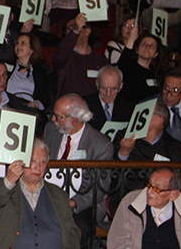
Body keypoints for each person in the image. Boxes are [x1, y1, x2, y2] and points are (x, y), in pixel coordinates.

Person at [0, 139, 81, 249]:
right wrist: (9, 182)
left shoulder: (58, 194)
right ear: (20, 162)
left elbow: (72, 233)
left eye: (43, 162)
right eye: (33, 161)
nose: (38, 168)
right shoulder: (3, 186)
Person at [44, 93, 113, 247]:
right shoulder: (51, 130)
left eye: (57, 116)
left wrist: (73, 203)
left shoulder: (101, 145)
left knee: (76, 228)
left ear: (73, 120)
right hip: (50, 196)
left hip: (83, 203)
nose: (53, 119)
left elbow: (100, 188)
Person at [108, 168, 181, 249]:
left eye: (156, 188)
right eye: (149, 185)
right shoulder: (130, 202)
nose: (149, 192)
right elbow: (117, 240)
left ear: (173, 194)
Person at [55, 14, 109, 97]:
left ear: (87, 31)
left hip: (92, 107)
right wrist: (75, 31)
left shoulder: (100, 60)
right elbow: (61, 54)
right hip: (70, 106)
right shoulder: (65, 57)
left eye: (74, 27)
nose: (71, 33)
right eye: (69, 29)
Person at [117, 101, 181, 162]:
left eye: (146, 112)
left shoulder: (176, 148)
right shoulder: (124, 138)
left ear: (158, 120)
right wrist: (124, 152)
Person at [6, 32, 51, 110]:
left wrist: (37, 104)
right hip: (9, 106)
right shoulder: (6, 66)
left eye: (23, 43)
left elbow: (45, 99)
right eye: (17, 43)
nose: (18, 46)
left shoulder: (40, 72)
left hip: (29, 109)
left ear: (32, 50)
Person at [117, 29, 164, 103]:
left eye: (151, 46)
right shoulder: (128, 67)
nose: (147, 47)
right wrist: (132, 38)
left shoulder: (157, 73)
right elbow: (122, 63)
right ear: (137, 50)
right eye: (144, 44)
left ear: (156, 54)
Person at [85, 65, 134, 132]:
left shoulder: (129, 107)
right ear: (97, 83)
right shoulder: (84, 105)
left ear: (121, 86)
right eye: (104, 88)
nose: (108, 93)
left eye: (113, 89)